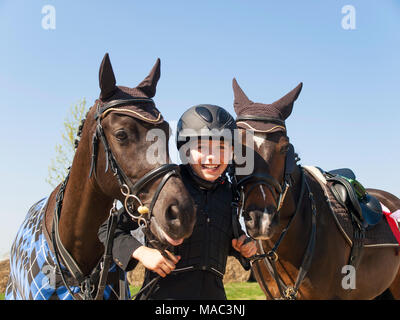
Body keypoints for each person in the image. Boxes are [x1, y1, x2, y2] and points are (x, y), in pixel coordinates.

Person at [98, 104, 257, 300]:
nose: (213, 157)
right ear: (186, 152)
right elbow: (108, 230)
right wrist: (142, 253)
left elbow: (219, 238)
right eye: (201, 148)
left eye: (222, 148)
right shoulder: (165, 188)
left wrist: (243, 247)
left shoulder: (230, 194)